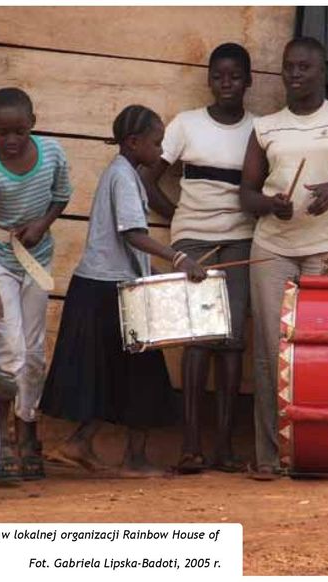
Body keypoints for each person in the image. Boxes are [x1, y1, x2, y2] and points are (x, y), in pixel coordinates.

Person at [239, 37, 328, 481]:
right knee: (269, 353)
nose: (295, 75)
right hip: (273, 249)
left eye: (304, 68)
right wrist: (269, 204)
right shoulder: (265, 127)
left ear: (322, 73)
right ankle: (269, 457)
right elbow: (247, 193)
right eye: (288, 68)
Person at [41, 105, 207, 478]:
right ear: (134, 143)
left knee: (114, 374)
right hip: (108, 292)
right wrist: (179, 258)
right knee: (140, 374)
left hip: (103, 287)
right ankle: (132, 458)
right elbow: (133, 234)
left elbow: (128, 244)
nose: (160, 149)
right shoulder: (124, 177)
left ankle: (79, 444)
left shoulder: (122, 173)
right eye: (156, 142)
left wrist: (163, 270)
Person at [139, 43, 256, 474]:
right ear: (210, 80)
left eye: (235, 76)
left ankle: (224, 446)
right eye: (219, 76)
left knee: (231, 341)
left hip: (241, 241)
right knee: (196, 339)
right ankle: (190, 446)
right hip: (192, 242)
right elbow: (145, 176)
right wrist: (177, 217)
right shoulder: (186, 124)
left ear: (249, 81)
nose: (226, 84)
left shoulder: (258, 130)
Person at [0, 87, 73, 481]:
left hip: (36, 257)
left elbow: (61, 196)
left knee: (33, 354)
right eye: (2, 133)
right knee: (8, 349)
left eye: (18, 131)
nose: (11, 141)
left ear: (33, 123)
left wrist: (42, 225)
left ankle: (27, 429)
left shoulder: (51, 154)